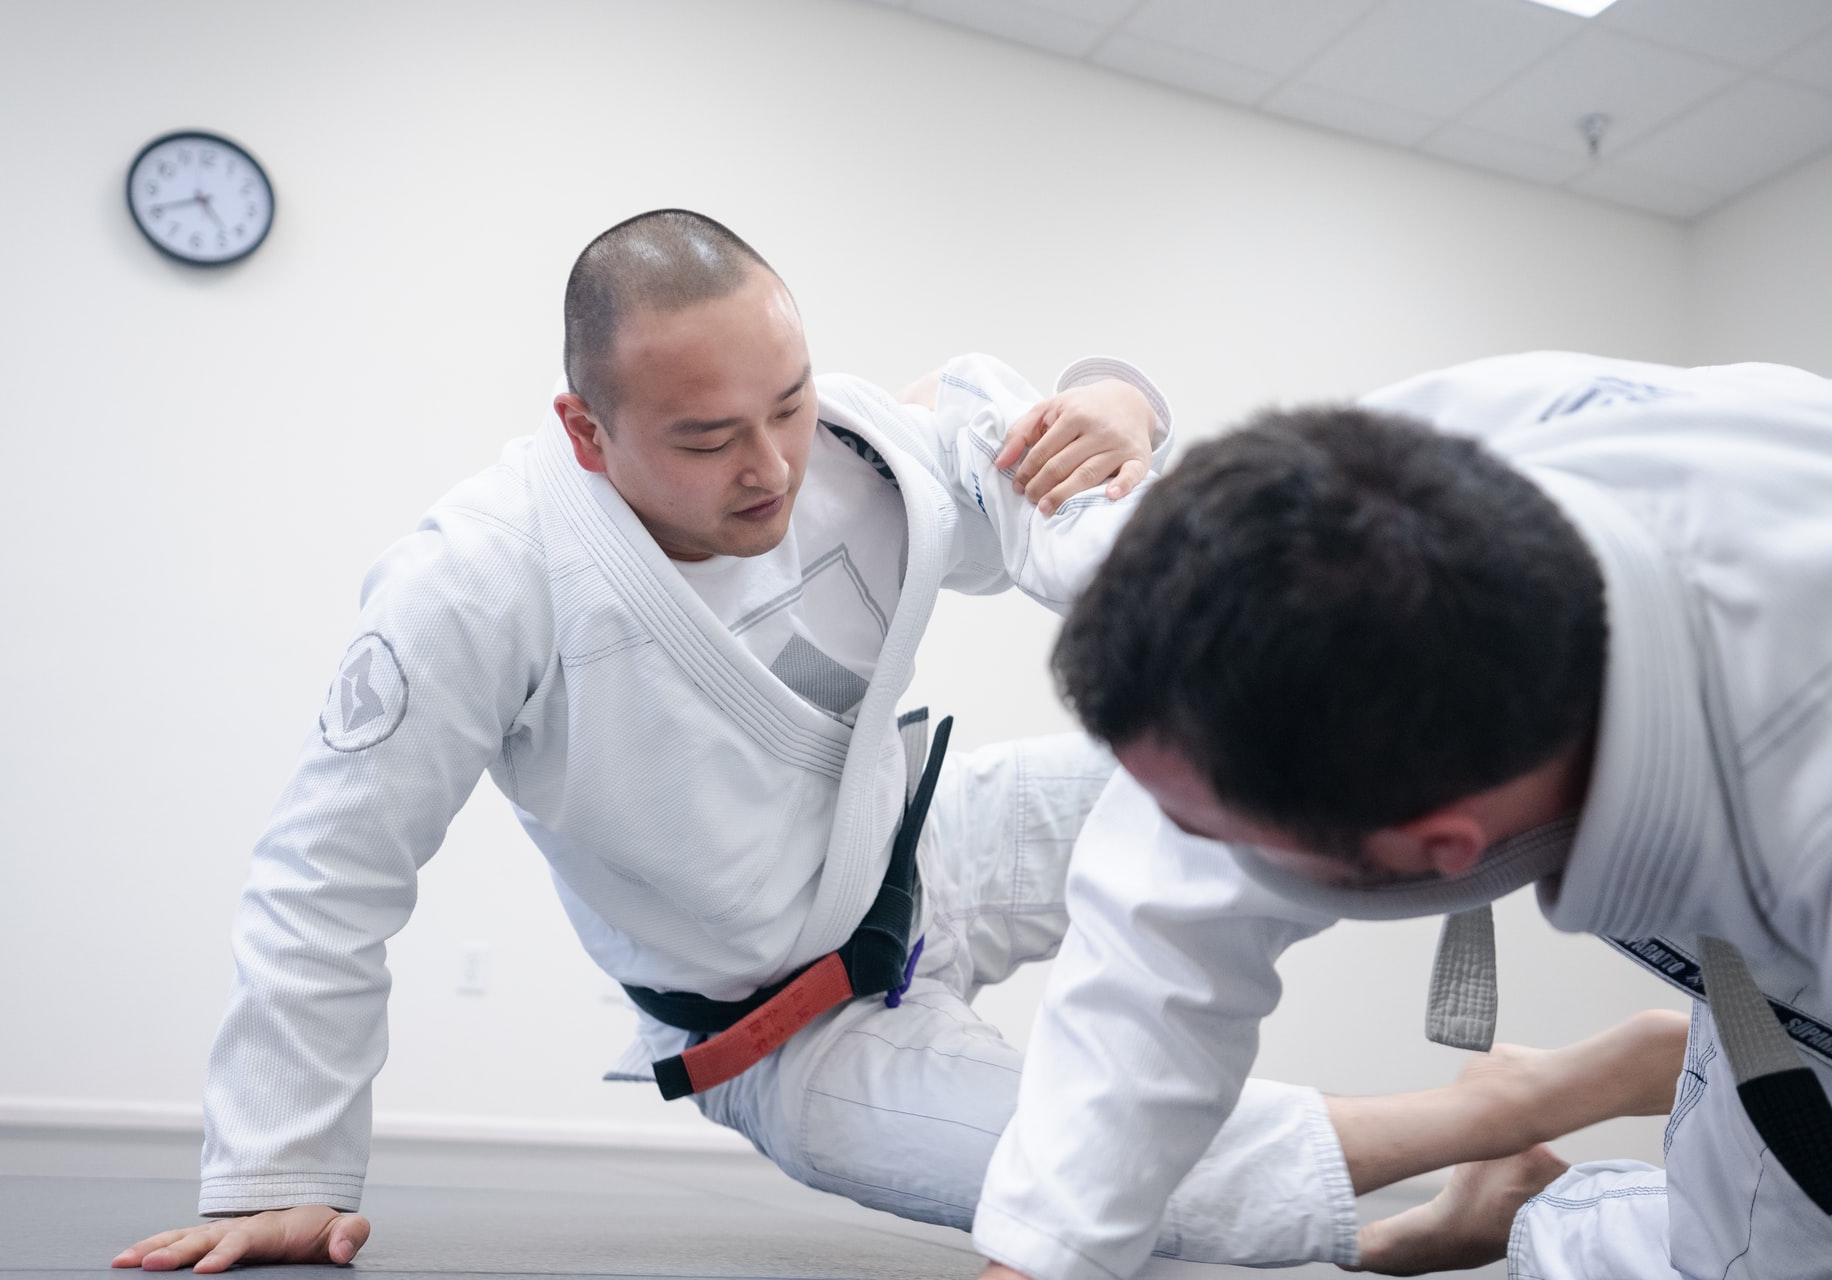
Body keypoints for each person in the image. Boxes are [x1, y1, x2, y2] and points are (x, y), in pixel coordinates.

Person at [112, 215, 1679, 1276]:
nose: (772, 464)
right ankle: (1526, 1113)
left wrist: (1120, 410)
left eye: (784, 404)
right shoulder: (474, 583)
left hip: (934, 846)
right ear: (587, 432)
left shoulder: (874, 445)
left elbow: (1098, 522)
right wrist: (279, 1169)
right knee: (1092, 1175)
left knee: (1259, 761)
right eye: (709, 438)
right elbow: (330, 871)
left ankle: (1508, 1078)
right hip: (775, 1031)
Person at [977, 351, 1832, 1280]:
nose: (1179, 856)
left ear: (1444, 849)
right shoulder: (1361, 510)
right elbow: (1154, 936)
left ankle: (1541, 1211)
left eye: (1217, 839)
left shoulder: (1800, 809)